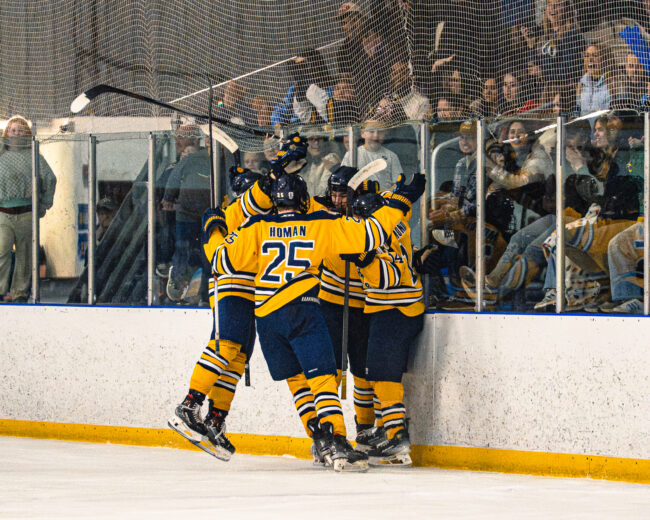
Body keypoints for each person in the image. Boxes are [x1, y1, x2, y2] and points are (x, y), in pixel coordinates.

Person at [213, 162, 426, 471]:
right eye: (334, 194)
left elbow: (221, 260)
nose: (337, 200)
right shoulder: (324, 222)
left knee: (311, 379)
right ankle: (337, 440)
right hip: (310, 308)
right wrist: (400, 202)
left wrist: (214, 227)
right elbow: (371, 232)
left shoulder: (259, 224)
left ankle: (331, 438)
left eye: (343, 195)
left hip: (268, 313)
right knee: (326, 378)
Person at [345, 188, 425, 466]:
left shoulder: (379, 240)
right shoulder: (395, 222)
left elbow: (389, 277)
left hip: (394, 310)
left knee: (382, 375)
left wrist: (364, 260)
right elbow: (399, 206)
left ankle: (396, 436)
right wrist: (399, 193)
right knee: (378, 373)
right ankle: (389, 430)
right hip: (397, 309)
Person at [0, 115, 56, 303]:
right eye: (13, 130)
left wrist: (43, 204)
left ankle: (19, 293)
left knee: (25, 255)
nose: (16, 134)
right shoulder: (1, 156)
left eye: (20, 130)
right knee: (1, 251)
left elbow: (50, 179)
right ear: (6, 133)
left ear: (27, 134)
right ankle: (0, 290)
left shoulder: (34, 157)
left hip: (26, 212)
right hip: (3, 213)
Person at [162, 125, 211, 303]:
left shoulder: (212, 158)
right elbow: (175, 178)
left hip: (208, 216)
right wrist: (168, 196)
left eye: (181, 137)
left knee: (208, 255)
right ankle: (177, 278)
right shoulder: (190, 159)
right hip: (187, 214)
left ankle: (205, 292)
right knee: (183, 248)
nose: (178, 142)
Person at [341, 120, 403, 190]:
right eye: (371, 131)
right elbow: (343, 181)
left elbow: (398, 184)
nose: (376, 135)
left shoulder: (391, 156)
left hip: (384, 200)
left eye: (380, 131)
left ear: (385, 134)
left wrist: (386, 194)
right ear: (363, 133)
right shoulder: (351, 155)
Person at [577, 44, 611, 116]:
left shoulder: (611, 84)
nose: (590, 59)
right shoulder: (581, 85)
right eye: (587, 56)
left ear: (604, 59)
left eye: (595, 55)